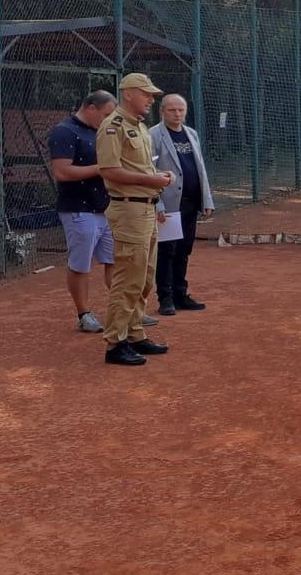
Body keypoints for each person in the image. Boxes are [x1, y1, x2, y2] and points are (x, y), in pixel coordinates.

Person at [96, 73, 173, 366]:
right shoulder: (112, 128)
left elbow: (139, 168)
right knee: (128, 277)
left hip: (146, 208)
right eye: (146, 94)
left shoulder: (138, 127)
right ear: (129, 94)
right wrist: (151, 180)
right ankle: (115, 343)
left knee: (145, 277)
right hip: (128, 210)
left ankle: (135, 333)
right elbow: (109, 170)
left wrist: (156, 180)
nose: (151, 99)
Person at [48, 90, 117, 332]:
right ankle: (84, 314)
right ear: (91, 108)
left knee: (114, 261)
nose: (109, 120)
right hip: (78, 209)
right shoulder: (64, 131)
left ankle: (125, 310)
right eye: (106, 114)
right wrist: (101, 168)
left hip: (105, 207)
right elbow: (62, 172)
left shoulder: (101, 130)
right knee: (81, 264)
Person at [151, 93, 215, 316]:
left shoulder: (192, 134)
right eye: (172, 110)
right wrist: (156, 204)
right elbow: (148, 173)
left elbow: (201, 169)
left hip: (190, 203)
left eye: (181, 110)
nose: (177, 114)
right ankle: (165, 298)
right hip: (168, 205)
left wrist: (206, 199)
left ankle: (181, 295)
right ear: (162, 111)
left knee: (184, 250)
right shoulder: (154, 136)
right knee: (167, 251)